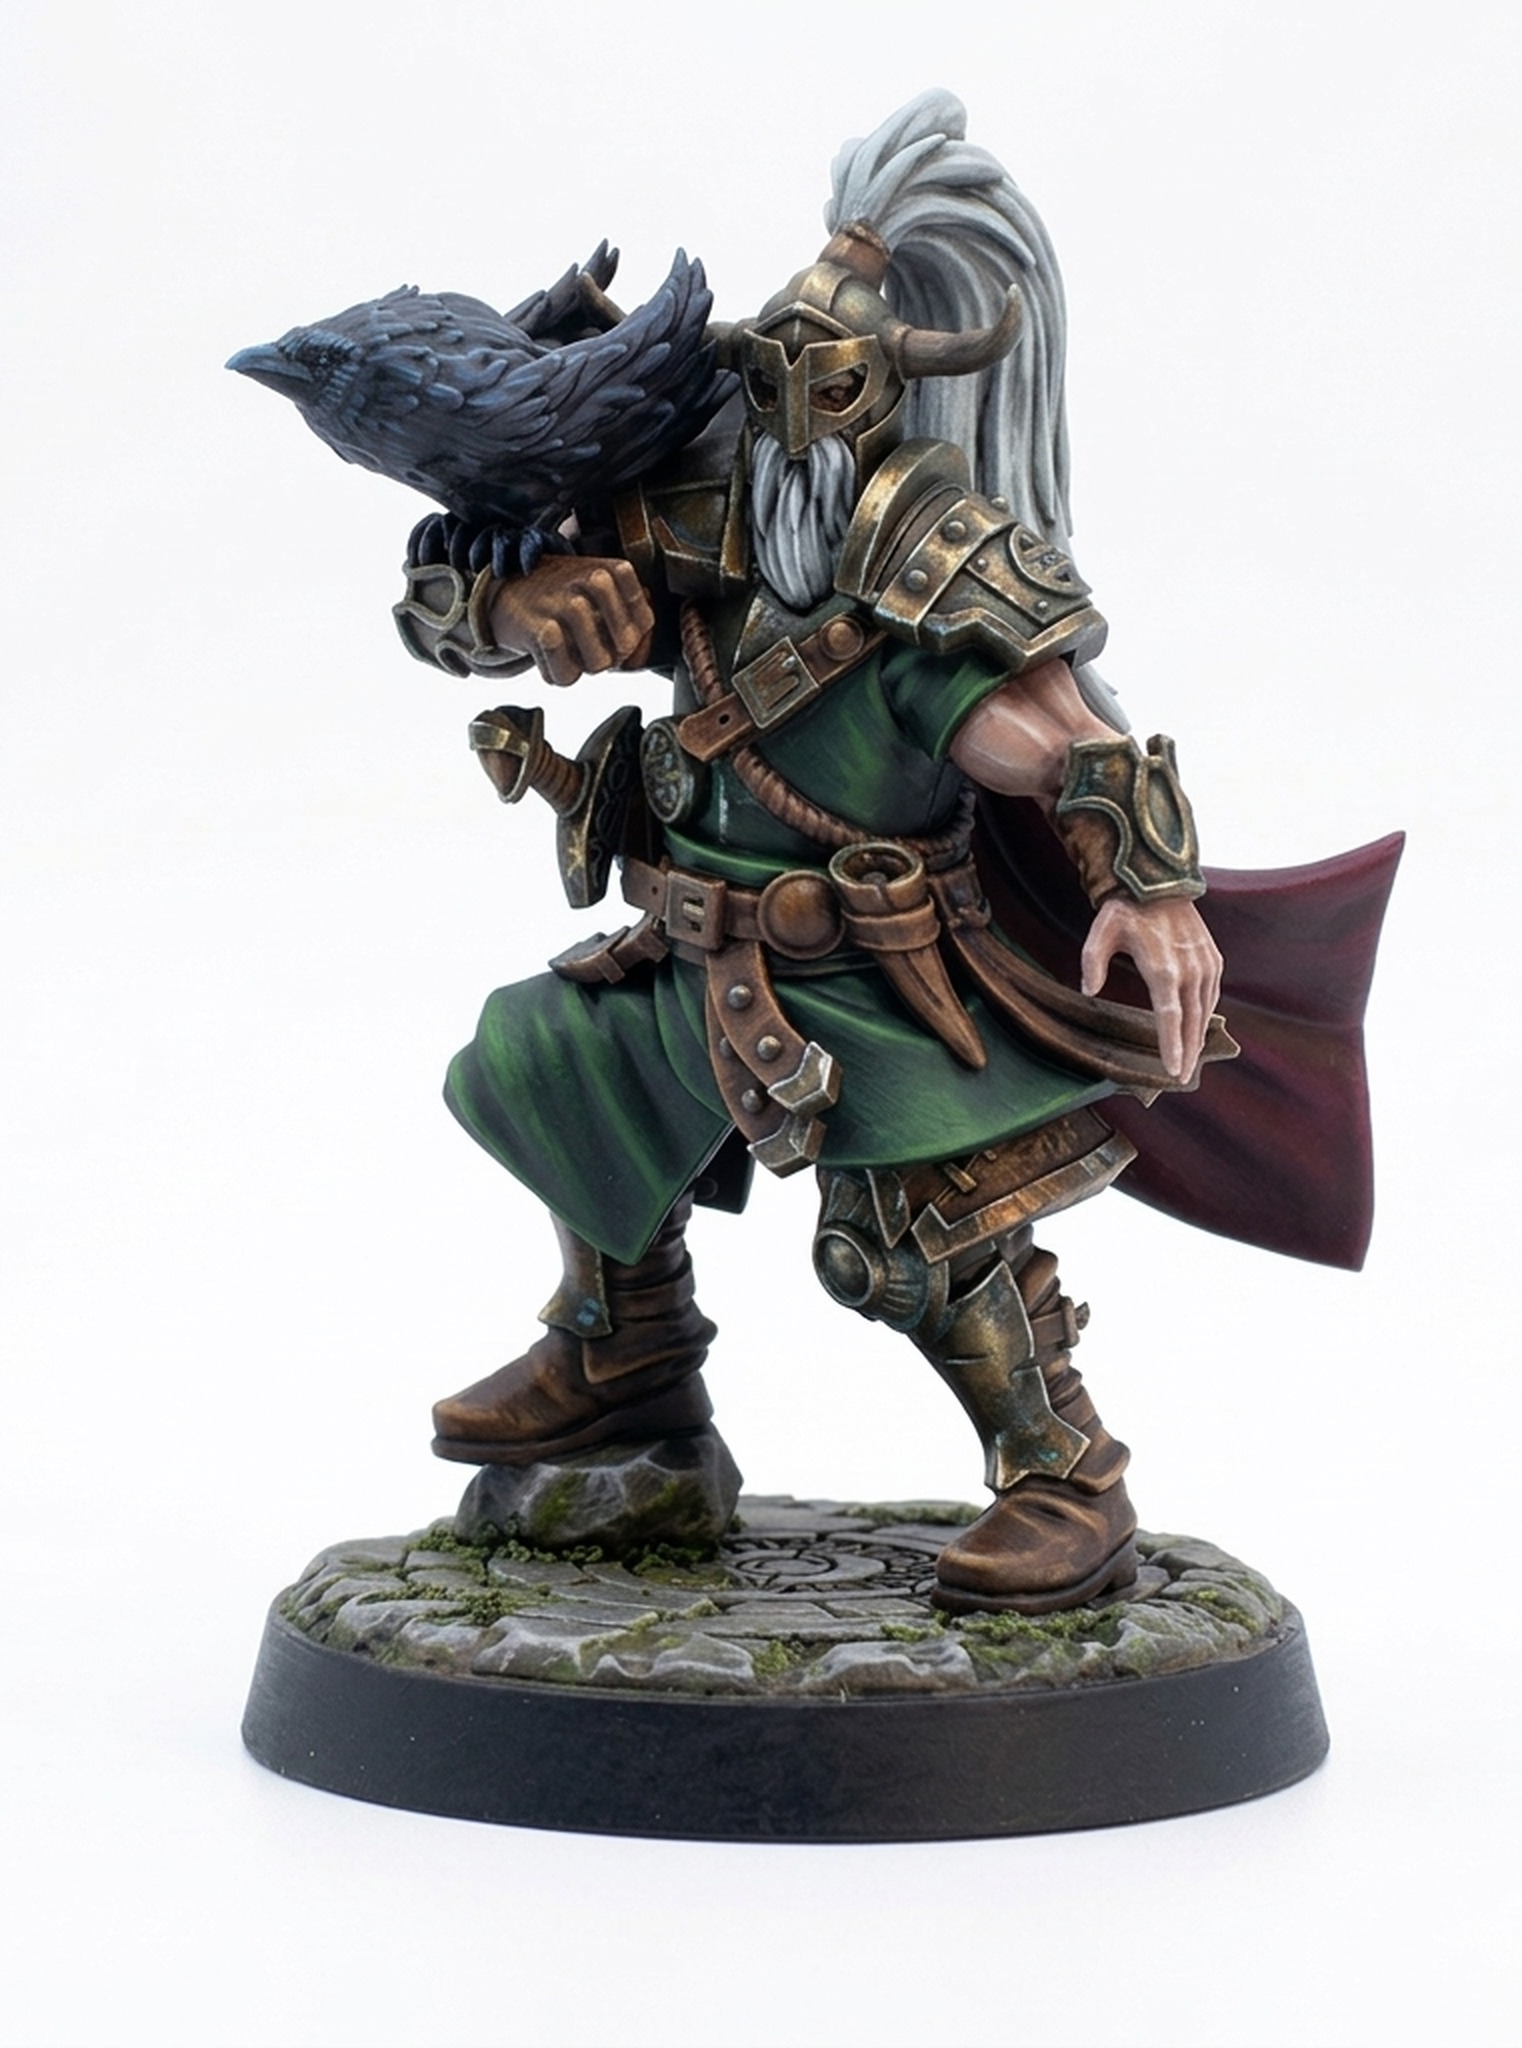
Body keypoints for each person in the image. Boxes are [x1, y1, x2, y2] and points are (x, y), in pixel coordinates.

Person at [389, 94, 1386, 1614]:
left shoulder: (931, 564)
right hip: (686, 950)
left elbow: (1066, 741)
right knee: (549, 1061)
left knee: (912, 1240)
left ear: (887, 397)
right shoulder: (690, 524)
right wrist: (514, 604)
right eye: (770, 386)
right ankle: (625, 1361)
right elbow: (442, 588)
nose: (796, 426)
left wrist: (1149, 883)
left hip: (874, 982)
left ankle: (1065, 1477)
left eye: (833, 391)